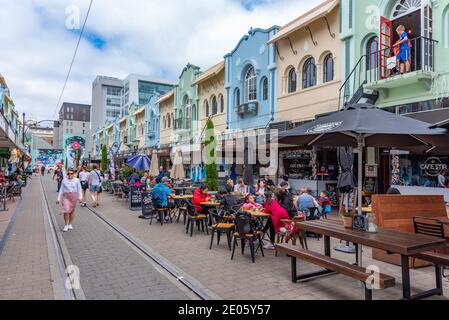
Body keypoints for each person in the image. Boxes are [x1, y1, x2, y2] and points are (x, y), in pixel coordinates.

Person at [56, 168, 83, 232]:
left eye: (71, 173)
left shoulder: (77, 180)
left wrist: (80, 198)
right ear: (67, 174)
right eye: (68, 173)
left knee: (72, 211)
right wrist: (58, 199)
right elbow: (61, 190)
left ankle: (70, 223)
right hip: (66, 197)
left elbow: (79, 190)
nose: (70, 175)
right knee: (66, 210)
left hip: (74, 197)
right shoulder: (64, 180)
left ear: (74, 174)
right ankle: (66, 224)